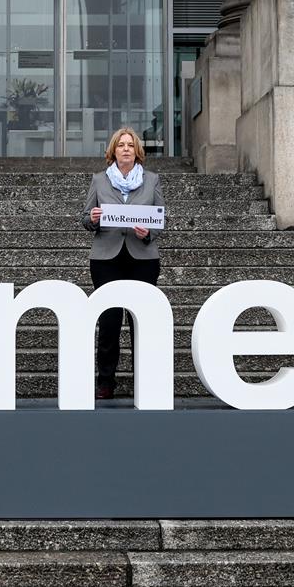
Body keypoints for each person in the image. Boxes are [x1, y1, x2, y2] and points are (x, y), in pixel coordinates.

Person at [81, 127, 164, 401]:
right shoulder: (99, 180)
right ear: (113, 151)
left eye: (130, 145)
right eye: (121, 145)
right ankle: (105, 382)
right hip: (107, 259)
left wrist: (148, 232)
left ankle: (146, 380)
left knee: (142, 322)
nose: (126, 149)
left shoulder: (152, 180)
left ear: (137, 151)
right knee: (109, 322)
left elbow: (160, 218)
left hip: (143, 258)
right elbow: (85, 218)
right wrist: (93, 219)